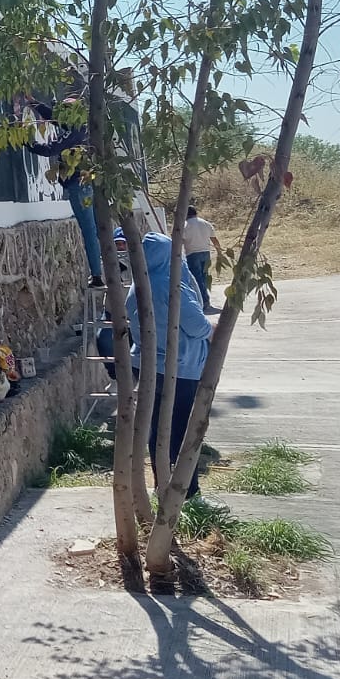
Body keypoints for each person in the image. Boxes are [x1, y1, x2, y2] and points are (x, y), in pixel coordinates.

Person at [126, 232, 214, 498]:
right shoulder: (171, 283)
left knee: (159, 428)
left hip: (150, 366)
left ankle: (161, 485)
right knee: (184, 432)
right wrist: (212, 328)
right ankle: (188, 492)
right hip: (180, 368)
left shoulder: (138, 285)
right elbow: (196, 325)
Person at [25, 98, 102, 284]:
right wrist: (34, 103)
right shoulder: (82, 128)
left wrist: (26, 142)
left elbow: (49, 149)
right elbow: (54, 118)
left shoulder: (75, 132)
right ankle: (105, 268)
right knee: (94, 229)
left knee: (89, 230)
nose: (60, 115)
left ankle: (97, 276)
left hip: (79, 186)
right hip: (88, 183)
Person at [183, 206, 221, 311]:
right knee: (203, 278)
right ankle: (205, 300)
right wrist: (219, 252)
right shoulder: (205, 223)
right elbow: (214, 239)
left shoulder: (185, 225)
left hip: (192, 254)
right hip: (206, 253)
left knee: (197, 279)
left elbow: (180, 240)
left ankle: (203, 301)